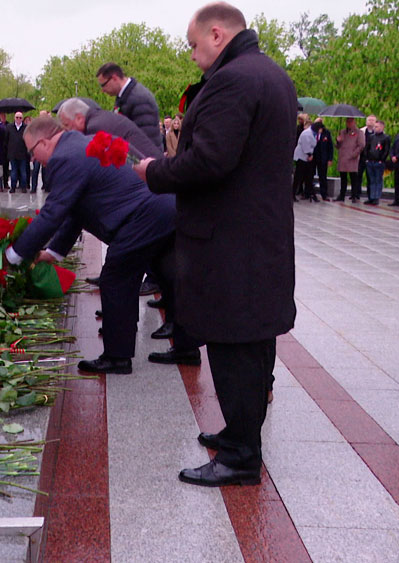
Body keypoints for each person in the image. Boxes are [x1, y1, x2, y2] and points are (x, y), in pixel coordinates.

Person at [133, 2, 296, 487]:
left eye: (193, 44)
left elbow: (210, 161)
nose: (191, 54)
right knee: (251, 341)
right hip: (255, 233)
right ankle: (239, 433)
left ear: (218, 34)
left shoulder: (232, 80)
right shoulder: (269, 74)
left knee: (233, 345)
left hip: (231, 239)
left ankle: (241, 457)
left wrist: (153, 172)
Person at [5, 116, 178, 374]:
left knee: (115, 278)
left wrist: (13, 256)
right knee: (168, 273)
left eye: (32, 152)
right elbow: (75, 210)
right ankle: (186, 348)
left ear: (43, 142)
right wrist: (52, 253)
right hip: (163, 208)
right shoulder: (78, 145)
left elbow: (54, 213)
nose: (32, 159)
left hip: (141, 216)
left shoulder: (64, 157)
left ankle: (117, 358)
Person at [57, 98, 164, 159]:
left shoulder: (94, 130)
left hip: (152, 180)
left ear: (79, 118)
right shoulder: (101, 117)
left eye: (67, 125)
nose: (66, 131)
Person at [96, 62, 163, 150]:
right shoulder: (124, 97)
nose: (103, 90)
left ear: (114, 78)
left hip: (146, 158)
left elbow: (144, 138)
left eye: (103, 85)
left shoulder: (140, 98)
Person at [335, 117, 365, 202]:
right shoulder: (343, 132)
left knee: (354, 178)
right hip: (343, 158)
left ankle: (354, 195)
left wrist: (354, 154)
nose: (348, 123)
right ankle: (342, 195)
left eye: (350, 121)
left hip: (352, 158)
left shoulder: (359, 132)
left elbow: (361, 145)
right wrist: (338, 141)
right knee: (343, 178)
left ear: (354, 122)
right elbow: (338, 146)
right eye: (347, 121)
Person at [363, 120, 390, 205]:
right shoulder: (371, 137)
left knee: (378, 180)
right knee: (371, 180)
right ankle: (371, 197)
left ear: (382, 127)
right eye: (374, 126)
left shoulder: (386, 138)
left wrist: (381, 160)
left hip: (379, 162)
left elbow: (386, 150)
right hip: (370, 161)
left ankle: (376, 197)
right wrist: (367, 158)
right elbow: (366, 148)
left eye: (377, 127)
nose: (375, 128)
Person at [4, 111, 29, 192]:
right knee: (13, 171)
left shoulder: (26, 127)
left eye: (20, 117)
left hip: (23, 153)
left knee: (23, 171)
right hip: (12, 153)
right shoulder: (9, 127)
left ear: (22, 118)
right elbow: (6, 140)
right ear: (14, 118)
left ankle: (24, 187)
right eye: (17, 117)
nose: (18, 119)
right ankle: (13, 187)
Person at [293, 118, 316, 201]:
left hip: (305, 158)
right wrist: (310, 154)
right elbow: (306, 146)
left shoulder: (309, 133)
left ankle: (308, 193)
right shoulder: (305, 134)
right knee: (298, 176)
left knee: (307, 176)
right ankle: (293, 193)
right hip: (302, 157)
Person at [312, 120, 334, 201]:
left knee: (323, 176)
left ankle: (324, 194)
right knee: (311, 175)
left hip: (323, 157)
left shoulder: (326, 133)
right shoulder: (312, 132)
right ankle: (311, 193)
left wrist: (330, 159)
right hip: (314, 157)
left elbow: (330, 147)